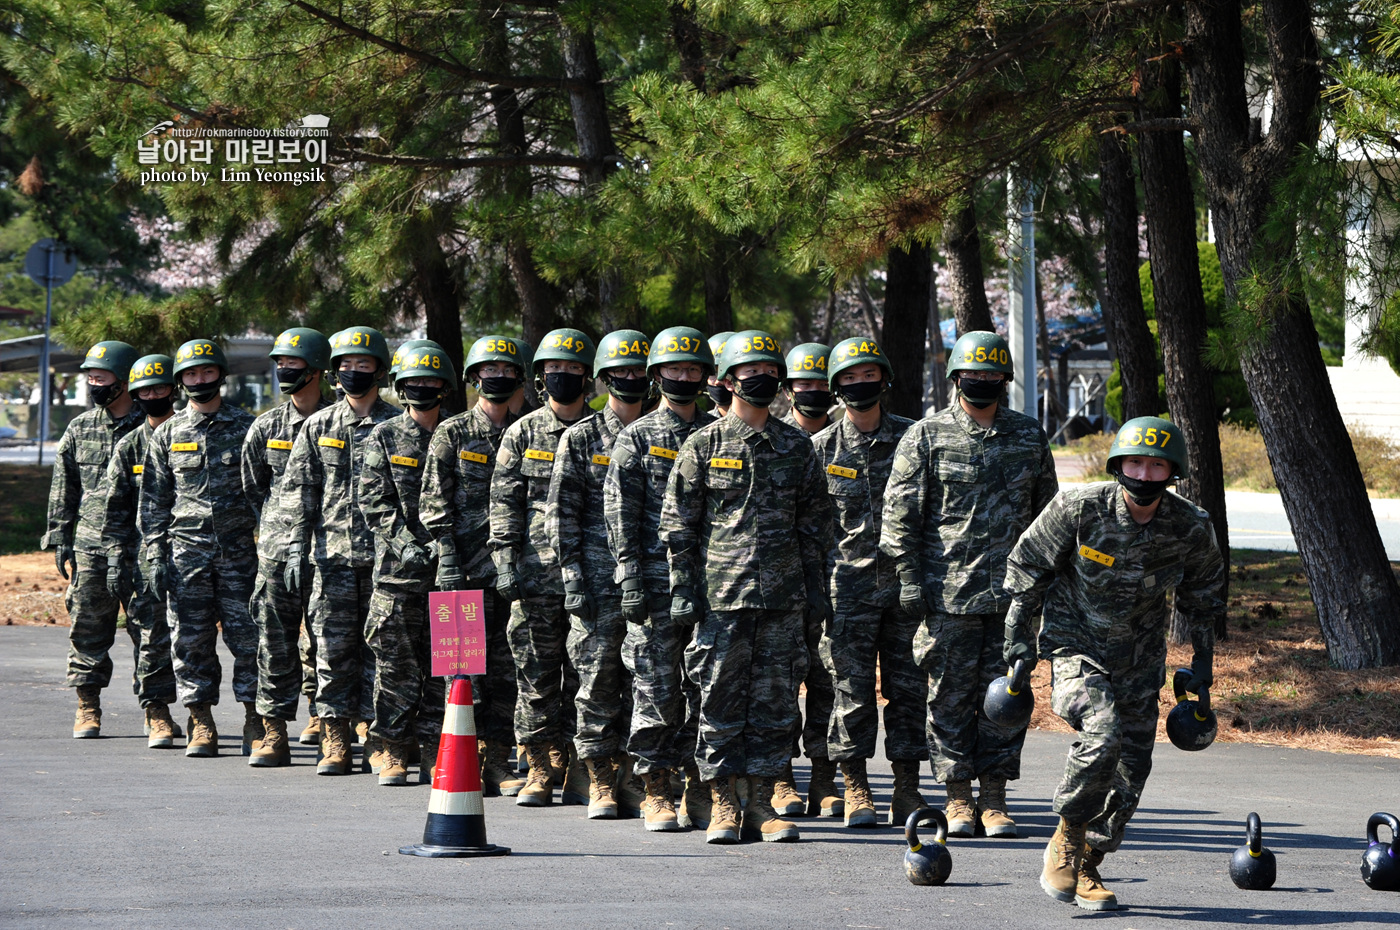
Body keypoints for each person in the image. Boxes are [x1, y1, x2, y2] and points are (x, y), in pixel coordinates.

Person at [1004, 416, 1223, 911]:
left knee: (1132, 768)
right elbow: (1025, 572)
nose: (1144, 475)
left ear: (1173, 472)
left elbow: (1204, 600)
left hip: (1140, 660)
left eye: (1156, 466)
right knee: (1101, 733)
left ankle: (1088, 862)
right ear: (1118, 464)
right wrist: (1017, 646)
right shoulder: (1077, 508)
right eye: (1135, 463)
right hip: (1074, 647)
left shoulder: (1190, 525)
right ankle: (1066, 835)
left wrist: (1202, 668)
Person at [880, 331, 1058, 837]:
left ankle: (995, 798)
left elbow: (1048, 519)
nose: (982, 382)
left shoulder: (1028, 436)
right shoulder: (927, 436)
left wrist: (1044, 585)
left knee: (1006, 698)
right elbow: (900, 517)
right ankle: (958, 798)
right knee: (949, 699)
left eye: (991, 375)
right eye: (972, 374)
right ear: (956, 377)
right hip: (947, 596)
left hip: (1012, 599)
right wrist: (910, 579)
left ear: (1005, 379)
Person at [660, 330, 833, 844]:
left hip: (783, 602)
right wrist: (683, 591)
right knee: (717, 702)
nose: (761, 379)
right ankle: (721, 805)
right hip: (722, 600)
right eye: (749, 371)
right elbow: (679, 527)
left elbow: (815, 524)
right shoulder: (704, 444)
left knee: (776, 705)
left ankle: (760, 804)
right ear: (728, 380)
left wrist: (815, 593)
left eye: (768, 371)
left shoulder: (796, 445)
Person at [606, 326, 716, 831]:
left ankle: (701, 788)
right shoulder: (638, 437)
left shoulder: (720, 433)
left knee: (706, 691)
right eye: (675, 369)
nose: (684, 377)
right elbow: (620, 513)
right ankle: (654, 790)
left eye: (693, 369)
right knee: (654, 690)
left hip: (712, 585)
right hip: (652, 587)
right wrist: (628, 575)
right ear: (657, 375)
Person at [279, 326, 400, 775]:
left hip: (386, 563)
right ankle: (335, 738)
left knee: (381, 652)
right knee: (330, 650)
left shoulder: (397, 425)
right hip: (330, 560)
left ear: (380, 371)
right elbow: (300, 492)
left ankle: (377, 737)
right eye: (345, 366)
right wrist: (295, 548)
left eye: (363, 365)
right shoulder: (319, 425)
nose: (353, 372)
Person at [813, 337, 923, 827]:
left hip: (906, 588)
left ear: (885, 379)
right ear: (836, 387)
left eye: (869, 375)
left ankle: (907, 788)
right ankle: (855, 788)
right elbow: (808, 525)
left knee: (909, 690)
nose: (861, 384)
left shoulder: (915, 439)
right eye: (850, 378)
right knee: (849, 691)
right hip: (846, 594)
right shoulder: (817, 449)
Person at [547, 329, 652, 821]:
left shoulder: (661, 433)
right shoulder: (581, 437)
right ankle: (599, 779)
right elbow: (560, 513)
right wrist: (571, 576)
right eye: (620, 373)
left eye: (636, 372)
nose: (629, 380)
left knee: (648, 686)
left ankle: (637, 777)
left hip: (651, 584)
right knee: (595, 684)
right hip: (594, 582)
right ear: (605, 379)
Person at [489, 328, 597, 807]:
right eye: (556, 370)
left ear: (589, 378)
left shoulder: (605, 433)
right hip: (534, 576)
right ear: (540, 377)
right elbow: (503, 502)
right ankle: (537, 767)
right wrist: (506, 562)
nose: (564, 377)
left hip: (591, 577)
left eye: (574, 370)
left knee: (585, 677)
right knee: (534, 675)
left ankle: (577, 766)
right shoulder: (523, 431)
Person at [420, 335, 531, 796]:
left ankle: (499, 759)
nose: (498, 378)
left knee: (507, 672)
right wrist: (445, 555)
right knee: (463, 672)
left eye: (507, 371)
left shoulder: (526, 432)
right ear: (473, 378)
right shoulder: (452, 433)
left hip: (513, 573)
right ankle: (462, 757)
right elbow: (432, 501)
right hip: (462, 573)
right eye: (489, 370)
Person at [139, 338, 259, 757]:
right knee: (190, 642)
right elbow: (153, 501)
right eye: (191, 374)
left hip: (240, 555)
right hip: (185, 555)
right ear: (179, 382)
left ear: (221, 376)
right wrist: (154, 554)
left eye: (207, 372)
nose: (199, 380)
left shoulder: (248, 428)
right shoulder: (168, 434)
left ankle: (254, 720)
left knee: (249, 640)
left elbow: (267, 493)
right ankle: (200, 721)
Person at [360, 341, 456, 785]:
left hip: (452, 578)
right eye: (414, 381)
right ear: (399, 385)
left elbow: (475, 501)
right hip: (398, 579)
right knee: (395, 670)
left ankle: (441, 751)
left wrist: (450, 547)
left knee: (447, 672)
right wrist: (406, 544)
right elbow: (374, 502)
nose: (422, 388)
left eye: (431, 381)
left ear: (445, 386)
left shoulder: (459, 435)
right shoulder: (384, 434)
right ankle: (392, 750)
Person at [45, 340, 145, 739]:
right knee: (87, 629)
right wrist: (59, 536)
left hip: (140, 548)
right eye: (90, 377)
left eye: (100, 377)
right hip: (90, 547)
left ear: (123, 381)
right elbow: (64, 486)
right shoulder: (80, 427)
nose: (93, 383)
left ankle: (156, 709)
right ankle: (88, 708)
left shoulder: (150, 425)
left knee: (152, 632)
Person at [242, 327, 333, 767]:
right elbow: (253, 489)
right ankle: (273, 731)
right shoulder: (266, 427)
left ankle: (322, 718)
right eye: (279, 363)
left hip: (331, 551)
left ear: (316, 370)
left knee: (328, 644)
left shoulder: (343, 420)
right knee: (274, 644)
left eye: (293, 364)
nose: (284, 371)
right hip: (278, 555)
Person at [97, 353, 180, 749]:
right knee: (151, 636)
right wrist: (115, 558)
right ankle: (157, 712)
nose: (152, 396)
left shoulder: (190, 431)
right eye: (144, 390)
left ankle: (226, 717)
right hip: (143, 558)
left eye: (159, 388)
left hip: (196, 553)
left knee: (202, 639)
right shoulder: (130, 446)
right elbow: (114, 510)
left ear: (174, 389)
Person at [781, 342, 834, 435]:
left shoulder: (846, 439)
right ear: (786, 390)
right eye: (805, 384)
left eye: (825, 384)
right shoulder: (768, 437)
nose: (815, 390)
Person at [704, 332, 734, 416]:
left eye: (725, 373)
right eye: (713, 373)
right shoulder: (700, 427)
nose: (718, 381)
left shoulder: (769, 426)